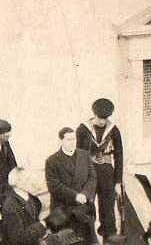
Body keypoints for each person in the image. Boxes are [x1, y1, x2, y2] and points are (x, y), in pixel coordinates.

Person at [76, 99, 124, 245]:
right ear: (94, 114)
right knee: (86, 208)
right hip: (88, 173)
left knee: (108, 210)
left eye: (105, 118)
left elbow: (119, 155)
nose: (103, 122)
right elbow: (78, 155)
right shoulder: (83, 129)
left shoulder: (114, 130)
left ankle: (108, 241)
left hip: (107, 174)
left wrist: (118, 181)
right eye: (100, 118)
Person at [45, 127, 98, 245]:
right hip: (63, 210)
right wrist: (75, 196)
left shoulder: (84, 155)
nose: (72, 142)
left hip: (83, 208)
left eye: (74, 139)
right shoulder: (52, 161)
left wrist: (85, 194)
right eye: (69, 139)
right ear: (61, 140)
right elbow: (54, 186)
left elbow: (92, 177)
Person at [0, 178, 45, 245]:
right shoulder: (10, 204)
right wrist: (42, 225)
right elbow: (18, 239)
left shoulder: (31, 199)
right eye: (28, 179)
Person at [0, 121, 20, 188]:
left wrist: (17, 175)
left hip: (8, 182)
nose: (8, 138)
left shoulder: (5, 142)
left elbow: (12, 162)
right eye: (6, 136)